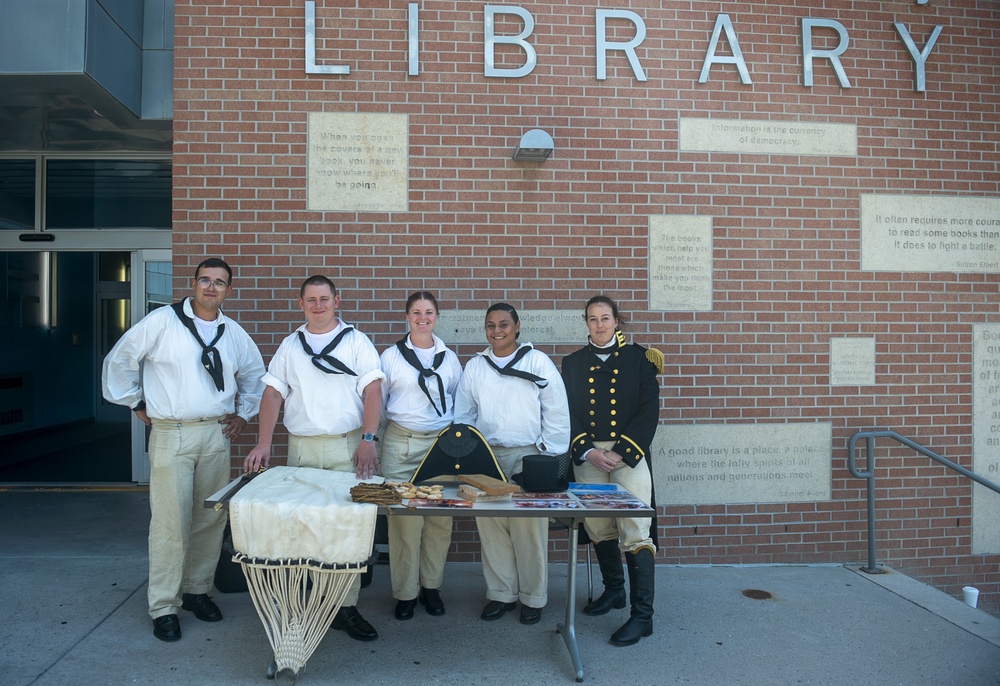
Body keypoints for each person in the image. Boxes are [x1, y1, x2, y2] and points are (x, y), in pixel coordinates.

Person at [102, 257, 266, 643]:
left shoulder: (233, 333)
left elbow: (255, 376)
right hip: (172, 433)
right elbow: (121, 359)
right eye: (205, 280)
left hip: (214, 434)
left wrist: (244, 415)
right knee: (170, 523)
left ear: (229, 290)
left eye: (220, 283)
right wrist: (135, 403)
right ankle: (163, 605)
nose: (212, 287)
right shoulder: (162, 322)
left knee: (209, 518)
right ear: (193, 283)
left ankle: (197, 591)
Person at [244, 275, 385, 642]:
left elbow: (372, 390)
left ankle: (345, 607)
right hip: (302, 447)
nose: (318, 305)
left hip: (347, 445)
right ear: (301, 302)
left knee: (347, 528)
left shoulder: (356, 341)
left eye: (325, 298)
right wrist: (263, 443)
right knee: (302, 525)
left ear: (337, 300)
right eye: (311, 299)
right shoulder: (291, 345)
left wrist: (369, 438)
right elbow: (274, 394)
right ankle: (308, 604)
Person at [454, 303, 569, 625]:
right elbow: (463, 413)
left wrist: (548, 454)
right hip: (488, 456)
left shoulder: (536, 361)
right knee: (491, 528)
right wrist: (468, 453)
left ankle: (533, 596)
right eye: (490, 325)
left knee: (528, 529)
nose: (497, 331)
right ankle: (501, 593)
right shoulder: (476, 367)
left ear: (517, 326)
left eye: (504, 324)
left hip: (528, 454)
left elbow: (556, 410)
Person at [561, 295, 661, 646]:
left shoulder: (639, 360)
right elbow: (566, 413)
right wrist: (587, 451)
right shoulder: (571, 364)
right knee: (599, 526)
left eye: (605, 318)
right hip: (589, 457)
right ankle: (614, 591)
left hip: (627, 456)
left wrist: (620, 452)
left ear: (617, 321)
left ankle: (642, 616)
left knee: (635, 531)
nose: (599, 324)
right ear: (585, 322)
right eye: (592, 319)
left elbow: (649, 410)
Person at [379, 291, 463, 620]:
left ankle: (431, 586)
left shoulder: (449, 358)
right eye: (416, 312)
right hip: (401, 444)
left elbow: (458, 402)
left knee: (440, 520)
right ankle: (405, 592)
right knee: (404, 522)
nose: (422, 317)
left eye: (429, 312)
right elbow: (380, 403)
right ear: (407, 316)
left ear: (437, 317)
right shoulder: (390, 357)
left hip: (441, 446)